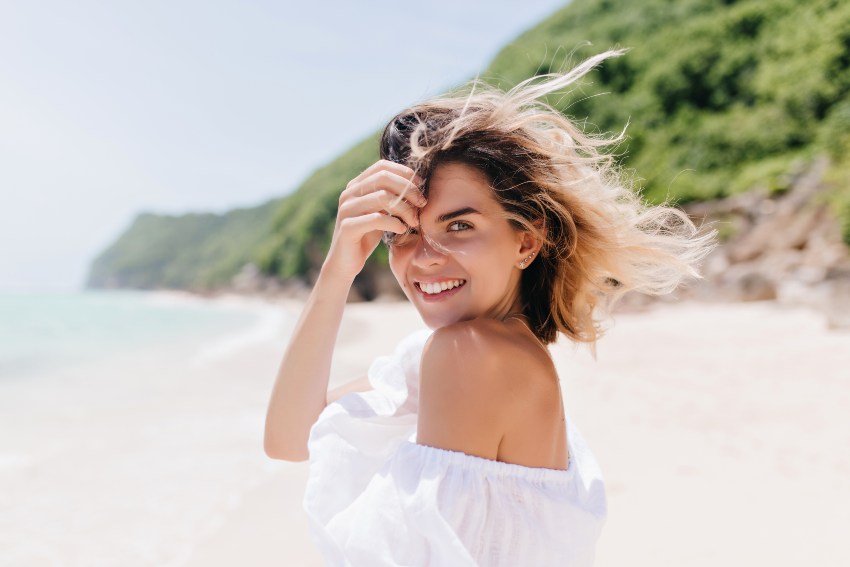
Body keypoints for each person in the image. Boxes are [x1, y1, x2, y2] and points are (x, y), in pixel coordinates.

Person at [264, 49, 714, 566]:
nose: (423, 258)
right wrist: (337, 270)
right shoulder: (465, 353)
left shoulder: (472, 353)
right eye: (401, 233)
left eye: (459, 226)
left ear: (526, 241)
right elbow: (290, 437)